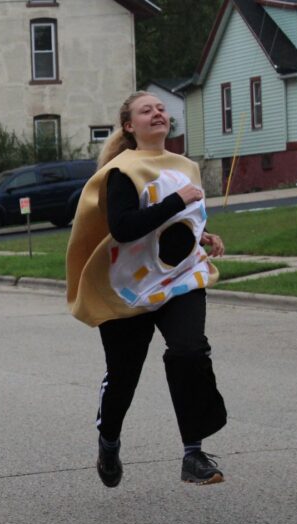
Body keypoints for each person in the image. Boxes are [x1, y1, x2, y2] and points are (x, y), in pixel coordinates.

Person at [66, 91, 228, 487]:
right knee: (124, 375)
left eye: (161, 108)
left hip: (180, 278)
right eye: (146, 110)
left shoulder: (186, 166)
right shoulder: (122, 170)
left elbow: (181, 216)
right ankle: (108, 442)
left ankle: (193, 453)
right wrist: (177, 201)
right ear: (129, 125)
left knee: (190, 351)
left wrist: (203, 234)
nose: (157, 113)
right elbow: (125, 228)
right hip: (129, 288)